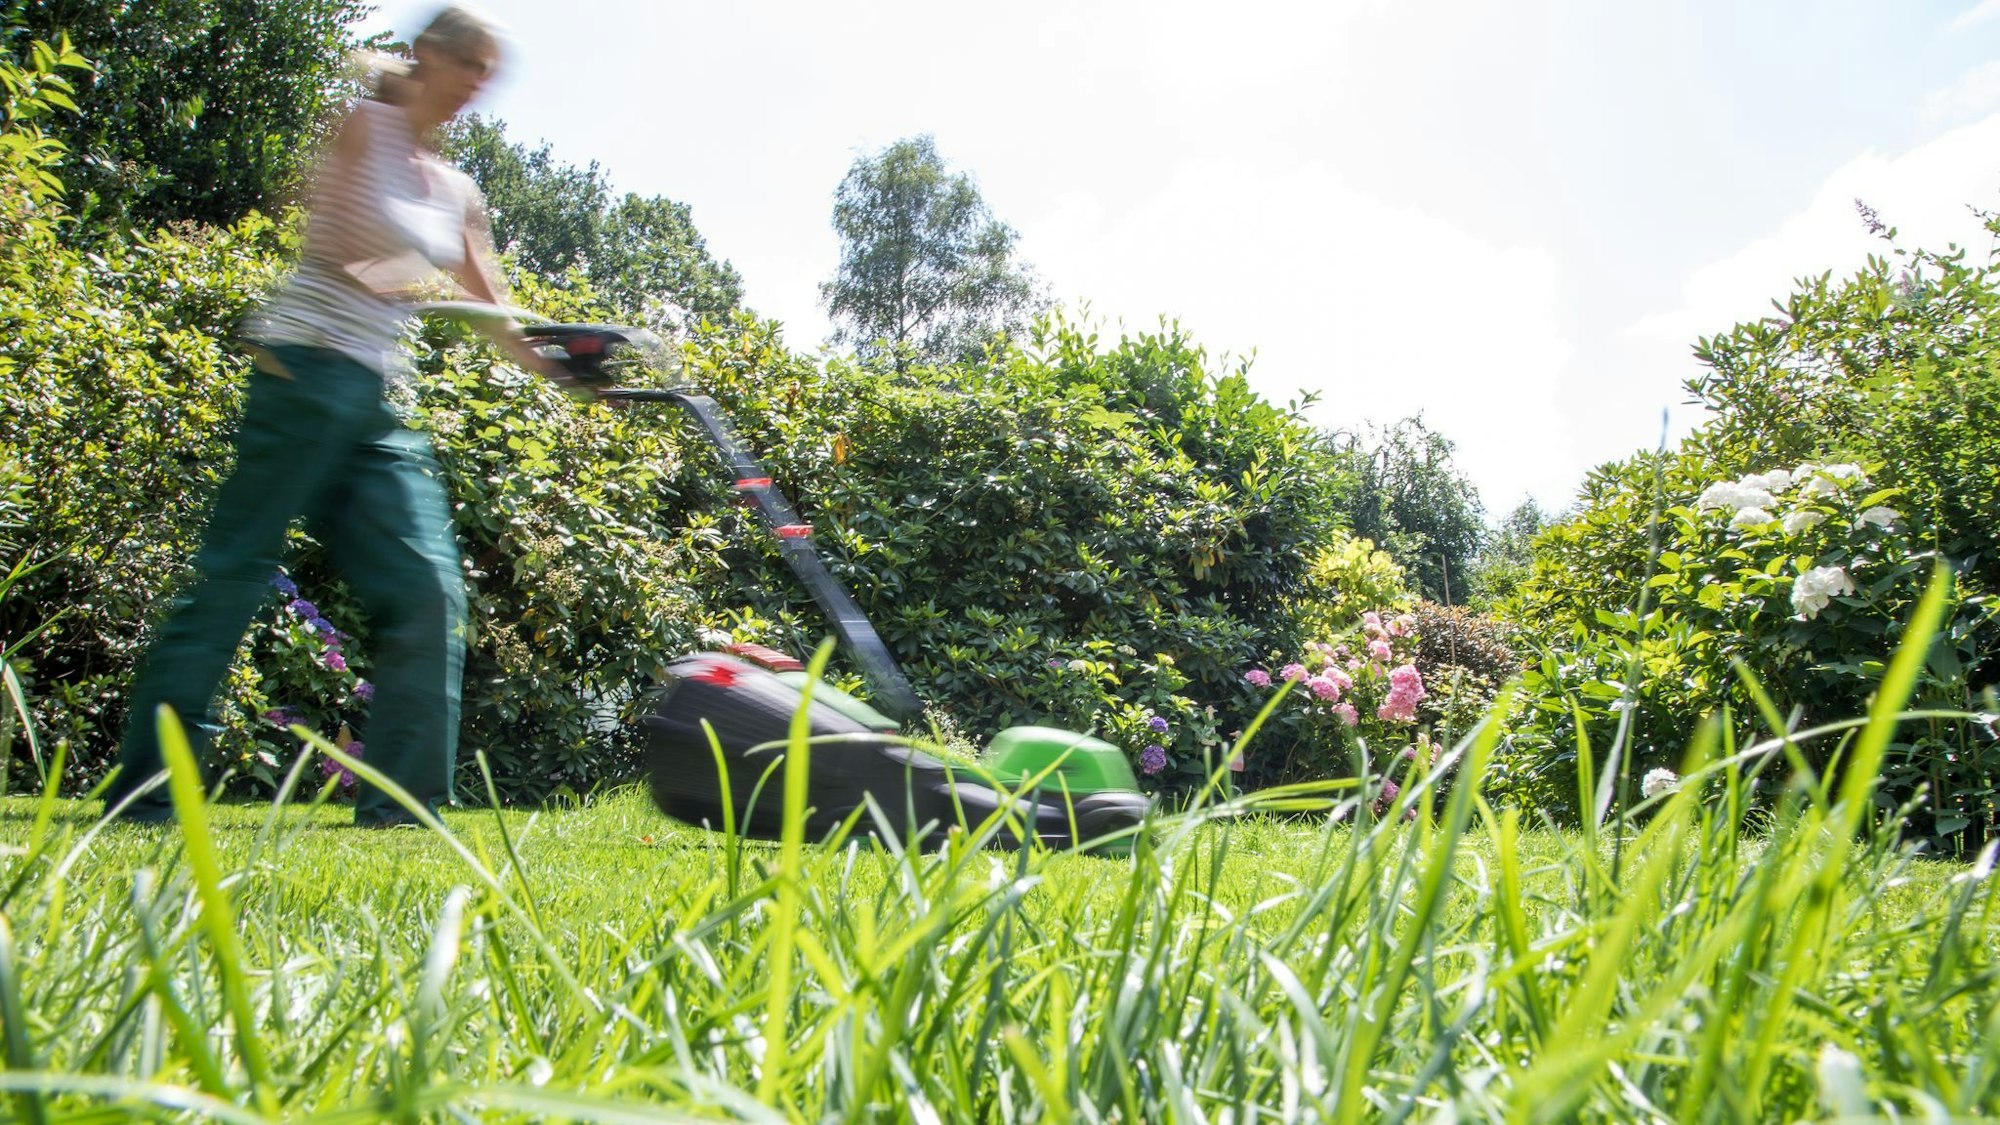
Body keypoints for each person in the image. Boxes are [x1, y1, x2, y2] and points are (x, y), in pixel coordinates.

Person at [107, 4, 576, 826]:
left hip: (374, 399)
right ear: (426, 54)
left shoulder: (458, 188)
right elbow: (336, 239)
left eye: (485, 73)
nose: (474, 82)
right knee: (235, 572)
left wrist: (568, 367)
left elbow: (494, 307)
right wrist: (411, 282)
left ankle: (404, 808)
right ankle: (150, 789)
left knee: (430, 592)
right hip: (303, 370)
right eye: (466, 61)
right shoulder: (364, 125)